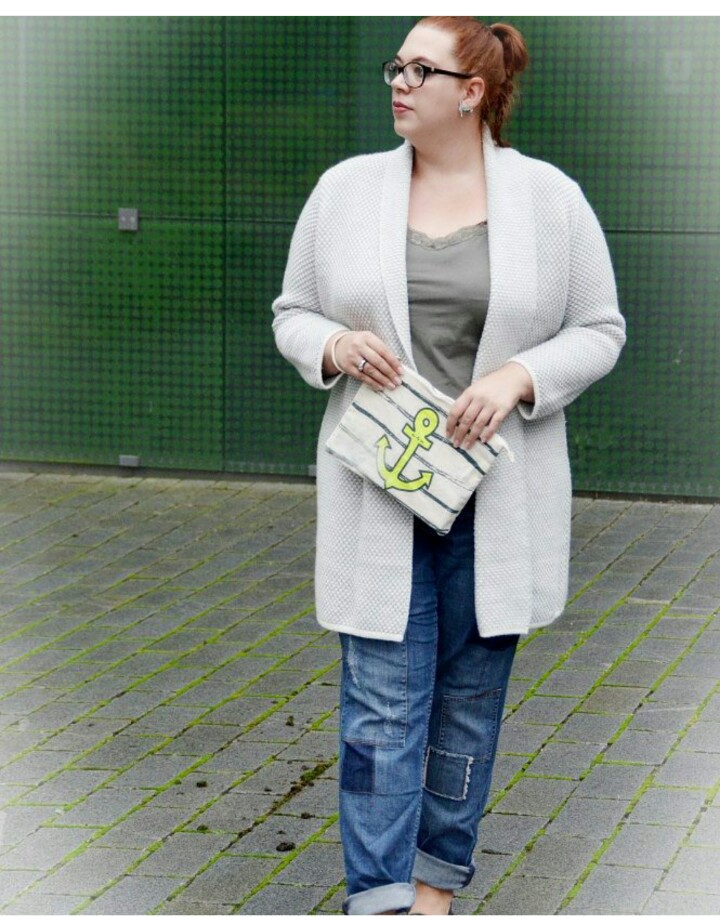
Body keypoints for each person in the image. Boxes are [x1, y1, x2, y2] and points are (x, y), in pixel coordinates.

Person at [272, 15, 626, 915]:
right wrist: (334, 345)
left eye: (419, 70)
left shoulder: (549, 199)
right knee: (380, 710)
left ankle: (434, 886)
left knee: (467, 705)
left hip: (497, 501)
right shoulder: (345, 192)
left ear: (472, 92)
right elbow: (292, 312)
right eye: (395, 65)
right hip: (379, 496)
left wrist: (517, 377)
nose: (398, 81)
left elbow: (600, 329)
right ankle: (380, 898)